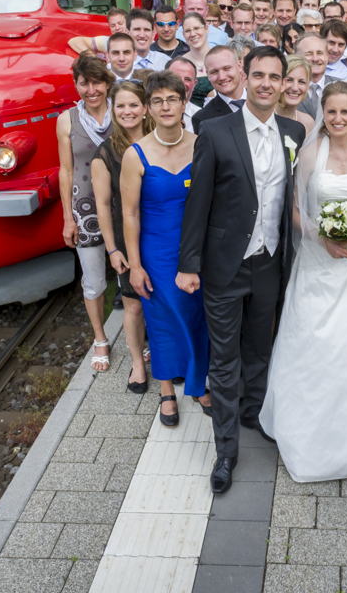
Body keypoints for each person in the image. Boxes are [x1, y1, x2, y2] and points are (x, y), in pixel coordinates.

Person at [177, 46, 306, 493]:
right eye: (260, 75)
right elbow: (198, 204)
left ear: (285, 82)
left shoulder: (294, 131)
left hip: (270, 263)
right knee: (225, 358)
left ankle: (254, 413)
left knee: (260, 349)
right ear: (245, 79)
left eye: (276, 76)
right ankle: (226, 451)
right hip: (224, 266)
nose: (268, 83)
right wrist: (188, 264)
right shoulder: (214, 131)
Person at [261, 79, 347, 481]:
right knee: (313, 340)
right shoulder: (309, 155)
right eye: (332, 111)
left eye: (345, 112)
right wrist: (323, 236)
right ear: (324, 113)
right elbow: (295, 210)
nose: (338, 119)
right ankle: (309, 437)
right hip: (317, 263)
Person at [122, 72, 211, 426]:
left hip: (195, 249)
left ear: (183, 102)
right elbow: (129, 213)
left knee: (197, 316)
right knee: (161, 320)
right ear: (148, 108)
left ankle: (198, 383)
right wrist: (135, 265)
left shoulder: (202, 143)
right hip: (155, 252)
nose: (165, 106)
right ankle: (166, 391)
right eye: (157, 100)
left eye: (171, 99)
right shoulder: (136, 154)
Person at [91, 81, 156, 394]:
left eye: (133, 105)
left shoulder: (161, 140)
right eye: (120, 106)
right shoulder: (106, 153)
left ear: (145, 108)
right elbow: (103, 204)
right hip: (125, 236)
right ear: (112, 111)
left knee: (165, 301)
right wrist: (112, 248)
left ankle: (167, 355)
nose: (127, 111)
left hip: (162, 232)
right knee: (133, 306)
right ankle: (138, 363)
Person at [57, 54, 115, 374]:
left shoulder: (122, 110)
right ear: (76, 84)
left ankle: (144, 336)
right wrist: (68, 217)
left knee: (132, 271)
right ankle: (100, 338)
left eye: (97, 82)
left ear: (107, 83)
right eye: (84, 83)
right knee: (93, 281)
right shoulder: (66, 120)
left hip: (123, 202)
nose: (91, 89)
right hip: (85, 207)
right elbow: (66, 171)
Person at [191, 45, 246, 133]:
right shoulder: (203, 119)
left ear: (239, 66)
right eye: (214, 72)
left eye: (226, 68)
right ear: (207, 75)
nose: (221, 77)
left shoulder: (263, 100)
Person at [174, 13, 216, 108]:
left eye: (196, 28)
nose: (192, 34)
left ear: (206, 28)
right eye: (188, 31)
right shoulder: (179, 64)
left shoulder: (220, 58)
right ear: (183, 35)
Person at [277, 53, 316, 136]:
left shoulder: (308, 122)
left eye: (301, 82)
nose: (295, 88)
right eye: (289, 80)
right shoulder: (264, 117)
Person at [295, 33, 331, 118]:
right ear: (296, 57)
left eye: (320, 53)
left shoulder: (341, 86)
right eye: (309, 54)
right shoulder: (287, 89)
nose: (315, 59)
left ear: (326, 57)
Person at [166, 56, 200, 132]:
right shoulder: (154, 114)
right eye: (176, 78)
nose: (181, 83)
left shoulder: (203, 117)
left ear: (194, 84)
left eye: (187, 79)